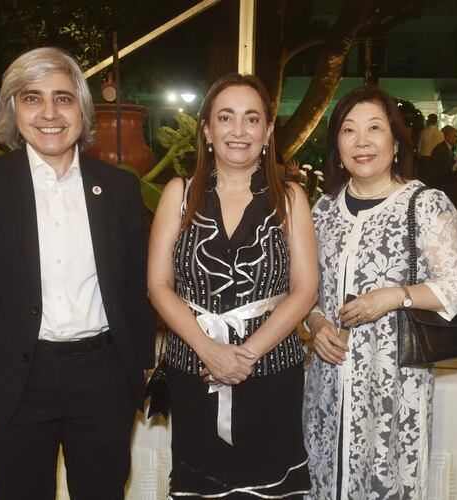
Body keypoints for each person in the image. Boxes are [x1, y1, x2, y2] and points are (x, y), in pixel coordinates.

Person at [0, 47, 155, 499]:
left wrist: (141, 364)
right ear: (14, 109)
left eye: (63, 98)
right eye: (32, 98)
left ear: (82, 110)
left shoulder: (118, 188)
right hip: (12, 383)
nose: (49, 113)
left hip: (103, 378)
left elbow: (137, 284)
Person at [147, 73, 317, 498]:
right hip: (195, 369)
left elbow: (305, 289)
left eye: (251, 119)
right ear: (207, 129)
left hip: (272, 371)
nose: (238, 131)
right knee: (201, 487)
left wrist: (245, 356)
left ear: (268, 131)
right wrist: (210, 351)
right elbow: (158, 285)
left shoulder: (291, 198)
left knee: (270, 487)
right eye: (226, 117)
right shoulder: (178, 194)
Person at [302, 86, 457, 499]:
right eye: (348, 130)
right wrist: (314, 322)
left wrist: (394, 296)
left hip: (394, 381)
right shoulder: (323, 209)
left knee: (383, 480)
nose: (361, 141)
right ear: (337, 145)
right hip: (327, 380)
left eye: (374, 128)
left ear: (396, 143)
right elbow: (305, 290)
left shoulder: (425, 204)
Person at [420, 125, 457, 208]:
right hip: (440, 185)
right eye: (454, 136)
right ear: (447, 136)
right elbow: (434, 171)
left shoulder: (449, 148)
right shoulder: (440, 149)